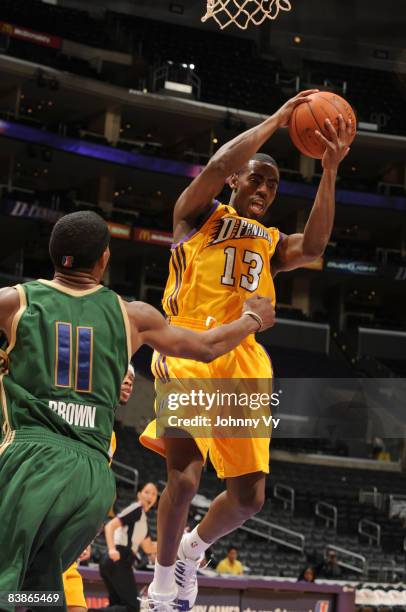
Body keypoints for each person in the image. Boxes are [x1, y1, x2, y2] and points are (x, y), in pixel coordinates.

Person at [140, 90, 353, 610]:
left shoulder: (272, 242)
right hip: (187, 344)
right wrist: (279, 118)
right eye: (255, 177)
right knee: (185, 477)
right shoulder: (195, 216)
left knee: (248, 498)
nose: (263, 187)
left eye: (273, 184)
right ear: (236, 180)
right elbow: (216, 163)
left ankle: (193, 550)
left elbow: (318, 246)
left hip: (244, 357)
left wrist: (329, 169)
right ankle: (163, 585)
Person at [0, 210, 275, 608]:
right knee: (41, 589)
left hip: (32, 460)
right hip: (92, 477)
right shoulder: (133, 316)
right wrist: (251, 318)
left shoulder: (15, 300)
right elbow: (206, 348)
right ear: (104, 259)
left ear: (52, 253)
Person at [62, 365, 136, 612]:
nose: (128, 383)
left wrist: (84, 531)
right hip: (50, 520)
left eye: (132, 380)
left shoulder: (110, 437)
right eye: (122, 377)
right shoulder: (78, 415)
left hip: (69, 533)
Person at [96, 483, 158, 612]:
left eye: (154, 494)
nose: (150, 496)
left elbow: (149, 548)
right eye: (147, 492)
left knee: (117, 605)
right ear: (139, 494)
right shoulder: (136, 508)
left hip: (119, 562)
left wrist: (175, 544)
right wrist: (112, 549)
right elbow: (110, 526)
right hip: (118, 559)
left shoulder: (143, 519)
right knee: (132, 608)